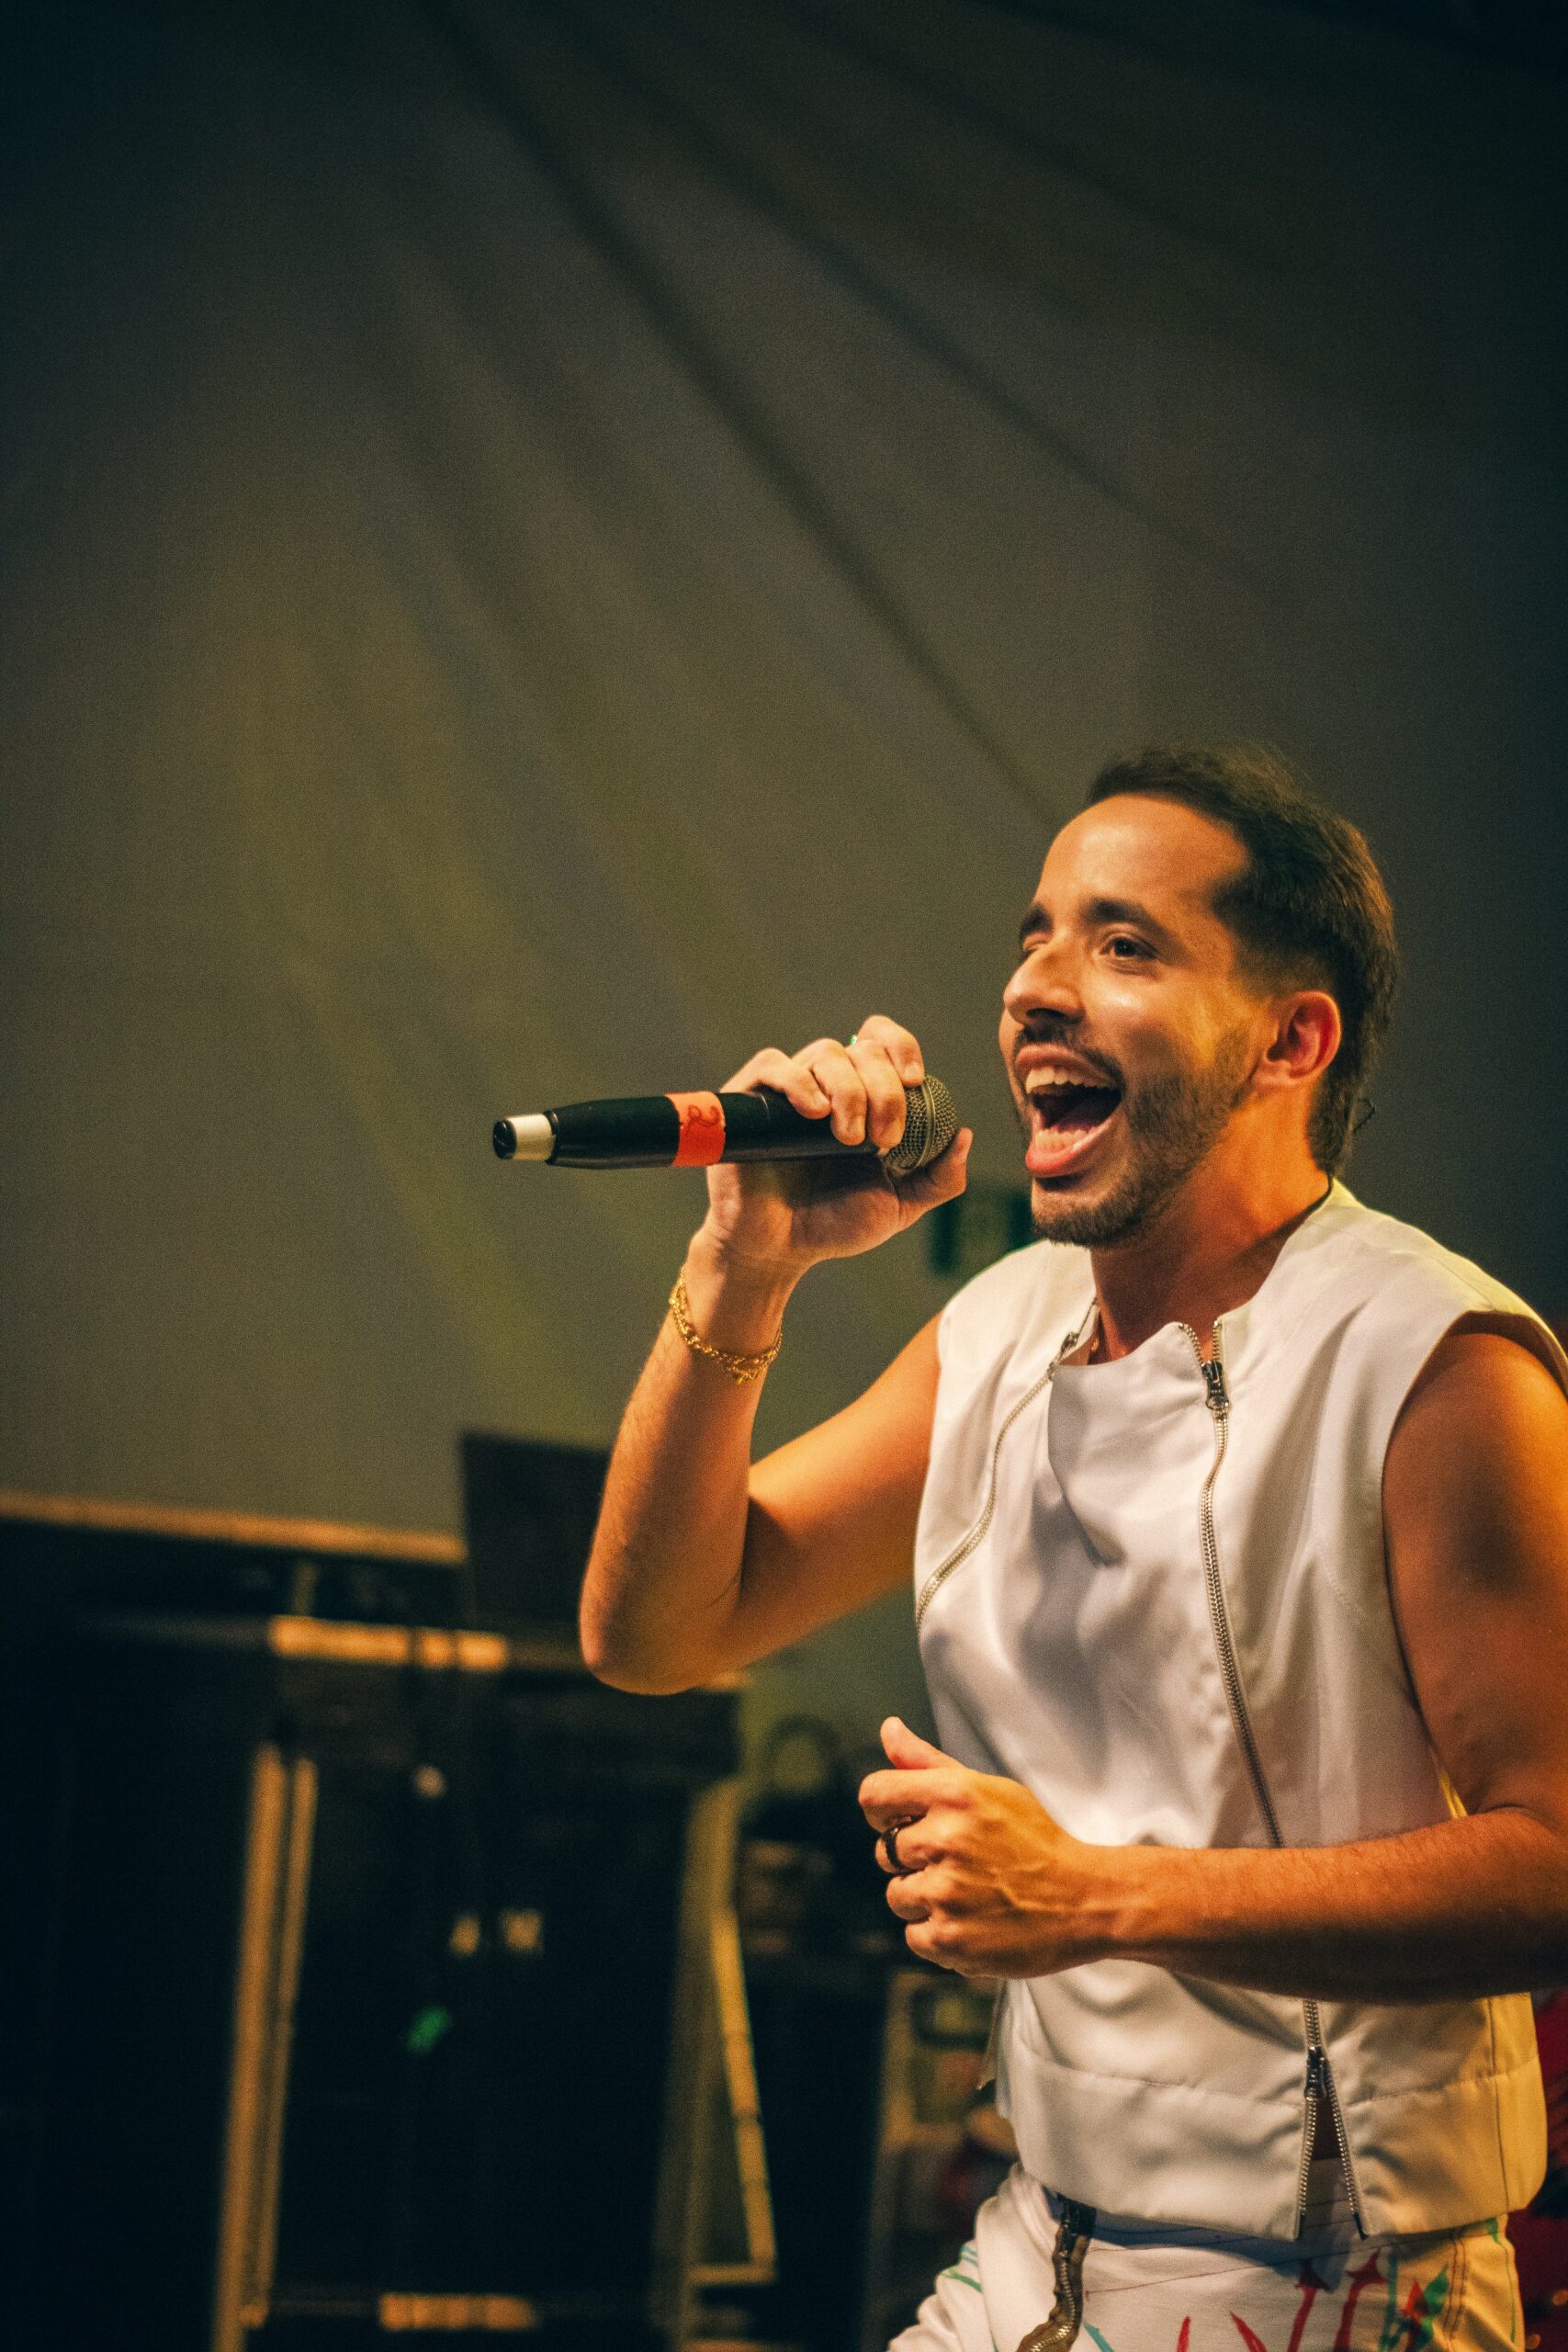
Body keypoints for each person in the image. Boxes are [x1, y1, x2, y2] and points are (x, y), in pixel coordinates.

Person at [579, 745, 1568, 2352]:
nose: (1035, 987)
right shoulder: (1002, 1330)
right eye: (1034, 935)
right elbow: (654, 1635)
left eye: (1124, 945)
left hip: (1336, 2273)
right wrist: (744, 1260)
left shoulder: (1434, 1361)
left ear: (1290, 1040)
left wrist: (1095, 1892)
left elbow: (1553, 1863)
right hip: (1040, 2237)